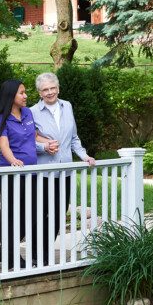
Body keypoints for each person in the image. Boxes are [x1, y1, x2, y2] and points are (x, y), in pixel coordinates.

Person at [30, 72, 96, 265]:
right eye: (45, 90)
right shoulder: (32, 112)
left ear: (58, 88)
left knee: (59, 214)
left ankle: (44, 251)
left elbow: (73, 138)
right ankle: (37, 254)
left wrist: (84, 155)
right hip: (43, 173)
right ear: (39, 93)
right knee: (41, 215)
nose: (50, 92)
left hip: (65, 171)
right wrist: (44, 147)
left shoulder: (67, 106)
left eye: (52, 88)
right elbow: (27, 141)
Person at [0, 79, 39, 270]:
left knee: (28, 214)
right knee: (14, 215)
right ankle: (12, 255)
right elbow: (3, 145)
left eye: (25, 92)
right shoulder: (1, 119)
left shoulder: (27, 113)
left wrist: (50, 141)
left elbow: (34, 136)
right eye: (22, 93)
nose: (26, 96)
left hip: (30, 174)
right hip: (11, 174)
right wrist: (13, 160)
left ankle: (4, 251)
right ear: (11, 96)